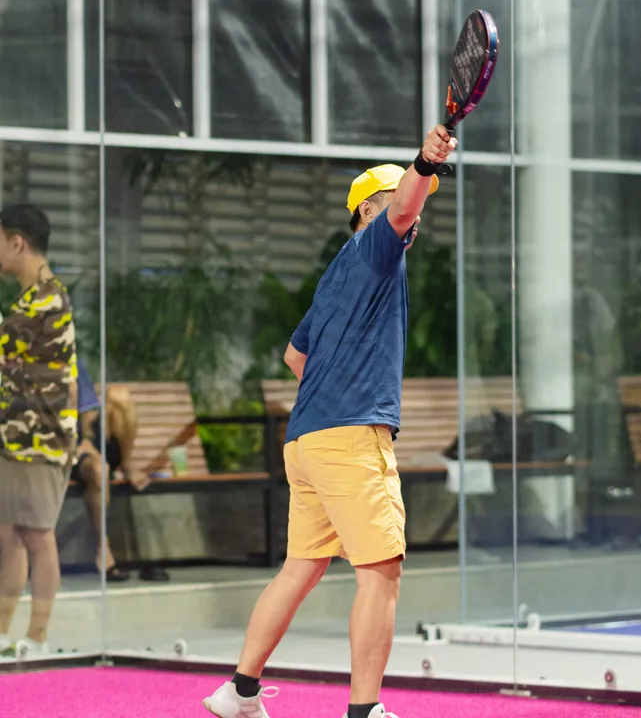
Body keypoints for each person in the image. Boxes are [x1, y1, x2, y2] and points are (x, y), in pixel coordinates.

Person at [202, 125, 456, 718]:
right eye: (402, 201)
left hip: (308, 439)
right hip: (349, 437)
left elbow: (296, 357)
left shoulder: (337, 275)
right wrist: (424, 163)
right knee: (381, 571)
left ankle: (238, 693)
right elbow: (403, 208)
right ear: (368, 210)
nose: (415, 214)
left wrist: (334, 388)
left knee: (301, 567)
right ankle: (365, 712)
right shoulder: (375, 248)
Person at [0, 204, 78, 658]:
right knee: (9, 533)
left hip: (42, 439)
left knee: (37, 534)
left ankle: (38, 638)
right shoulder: (29, 300)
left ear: (17, 243)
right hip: (15, 437)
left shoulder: (46, 300)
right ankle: (4, 633)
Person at [71, 356, 144, 582]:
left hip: (84, 442)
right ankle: (103, 548)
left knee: (119, 396)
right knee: (98, 471)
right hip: (57, 447)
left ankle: (126, 463)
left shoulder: (66, 354)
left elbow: (87, 408)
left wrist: (87, 441)